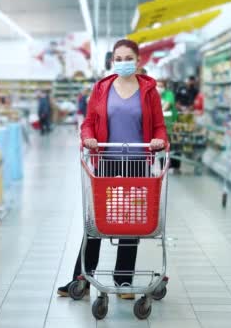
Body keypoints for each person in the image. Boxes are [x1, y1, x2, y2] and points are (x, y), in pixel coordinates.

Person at [57, 39, 167, 300]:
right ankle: (81, 278)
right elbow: (89, 123)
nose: (122, 62)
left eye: (128, 58)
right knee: (96, 222)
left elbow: (160, 126)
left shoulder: (149, 90)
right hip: (106, 162)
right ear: (112, 61)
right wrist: (88, 138)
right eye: (117, 58)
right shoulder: (102, 88)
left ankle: (124, 280)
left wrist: (159, 140)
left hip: (138, 164)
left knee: (131, 223)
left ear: (138, 61)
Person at [157, 80, 181, 171]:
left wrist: (159, 112)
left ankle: (175, 165)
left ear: (165, 87)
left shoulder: (168, 94)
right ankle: (163, 165)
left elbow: (167, 104)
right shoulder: (154, 94)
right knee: (161, 146)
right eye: (157, 85)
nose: (159, 88)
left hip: (172, 123)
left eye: (161, 86)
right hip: (161, 125)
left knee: (174, 145)